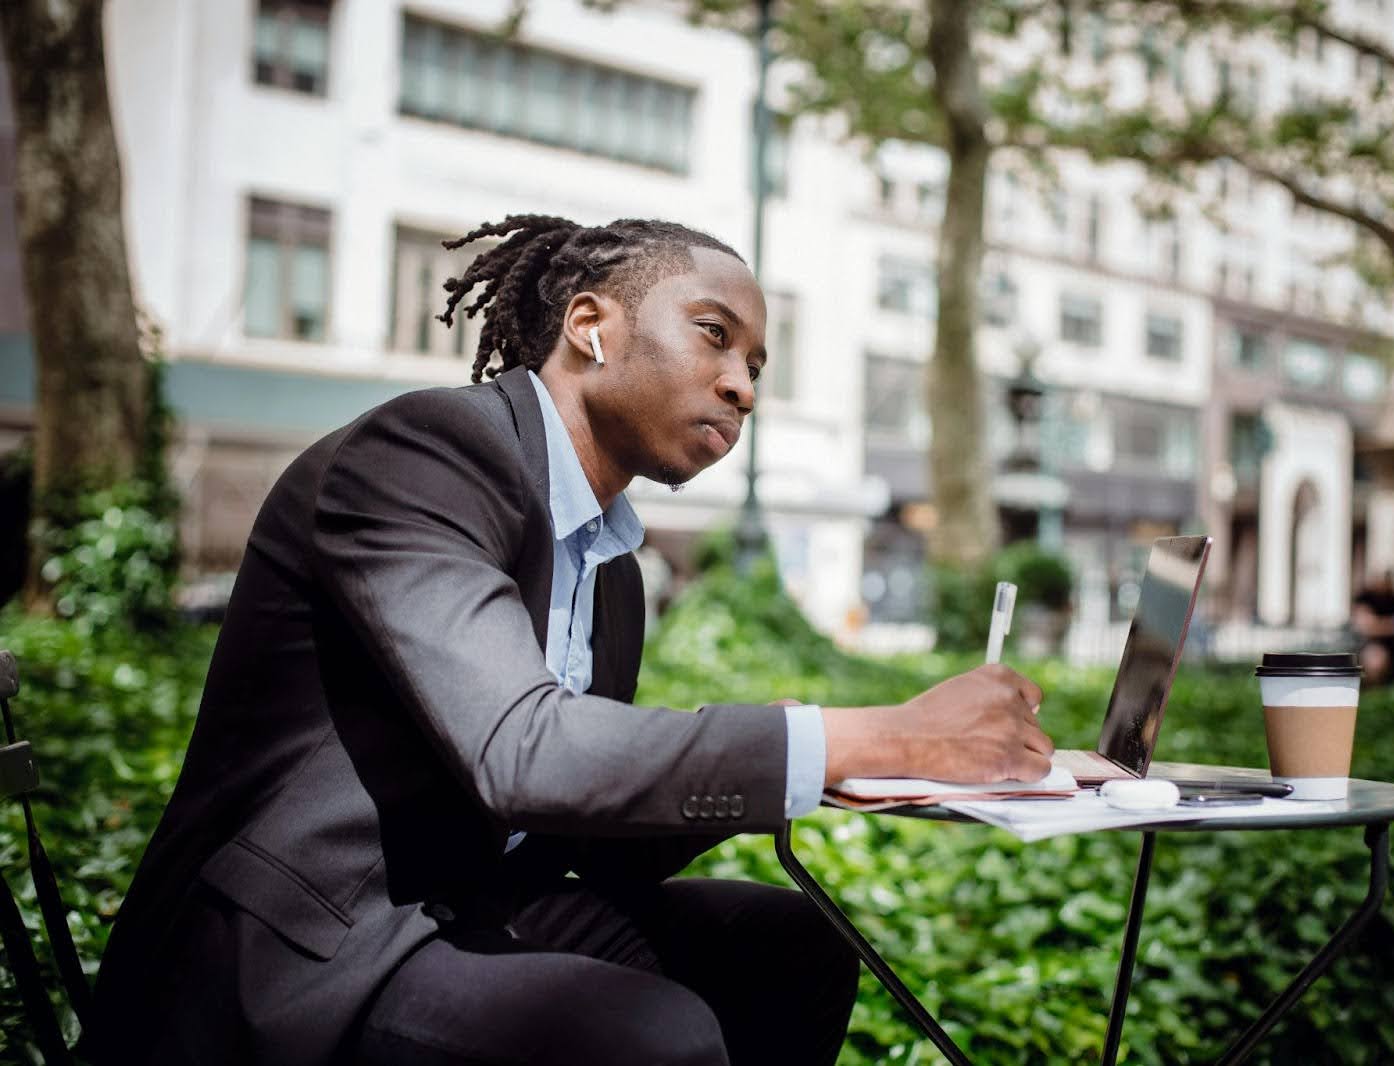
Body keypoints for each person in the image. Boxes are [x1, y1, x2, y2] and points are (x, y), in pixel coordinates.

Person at [88, 215, 1053, 1066]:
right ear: (590, 326)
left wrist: (825, 756)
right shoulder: (427, 454)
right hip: (314, 942)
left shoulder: (614, 570)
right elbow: (523, 751)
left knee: (793, 947)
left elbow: (588, 834)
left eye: (756, 368)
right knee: (642, 1037)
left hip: (478, 901)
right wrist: (876, 733)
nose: (741, 387)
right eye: (715, 337)